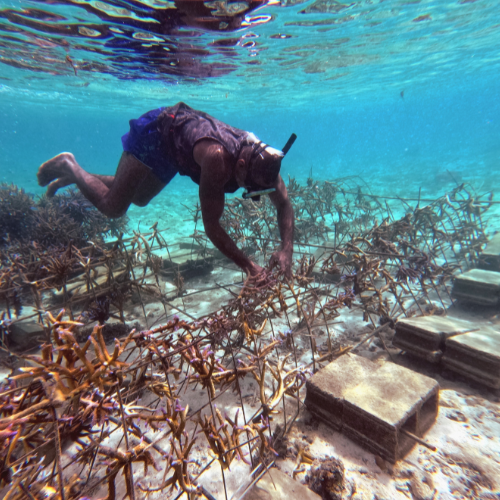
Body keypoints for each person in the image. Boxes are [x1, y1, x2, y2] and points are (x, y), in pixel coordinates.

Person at [37, 102, 296, 278]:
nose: (248, 192)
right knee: (113, 206)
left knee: (138, 197)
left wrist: (286, 249)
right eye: (247, 187)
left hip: (177, 151)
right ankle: (69, 165)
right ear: (240, 165)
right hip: (158, 133)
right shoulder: (217, 159)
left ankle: (81, 178)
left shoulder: (266, 164)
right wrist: (250, 267)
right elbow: (212, 225)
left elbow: (283, 204)